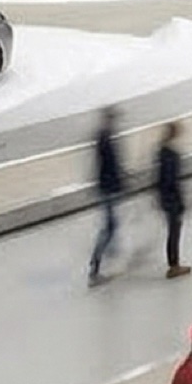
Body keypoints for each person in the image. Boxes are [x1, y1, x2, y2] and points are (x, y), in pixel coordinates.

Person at [88, 108, 124, 286]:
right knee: (109, 226)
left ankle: (108, 253)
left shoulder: (103, 137)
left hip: (107, 186)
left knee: (111, 224)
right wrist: (119, 183)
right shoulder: (106, 139)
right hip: (108, 187)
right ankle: (96, 264)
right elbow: (110, 165)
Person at [153, 122, 191, 279]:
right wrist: (180, 201)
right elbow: (172, 180)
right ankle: (174, 265)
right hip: (172, 199)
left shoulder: (161, 152)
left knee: (173, 231)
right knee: (174, 232)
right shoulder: (171, 155)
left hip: (165, 197)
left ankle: (173, 263)